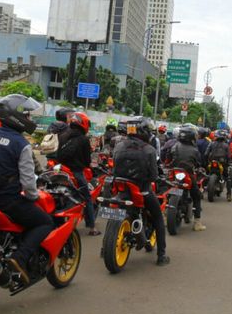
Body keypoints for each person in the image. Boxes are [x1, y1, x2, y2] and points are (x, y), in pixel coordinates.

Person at [0, 94, 54, 284]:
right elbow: (28, 184)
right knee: (45, 222)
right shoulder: (21, 144)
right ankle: (18, 258)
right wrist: (33, 197)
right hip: (7, 200)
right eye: (27, 115)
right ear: (15, 116)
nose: (29, 119)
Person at [112, 116, 170, 266]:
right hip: (142, 191)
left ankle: (103, 248)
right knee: (158, 217)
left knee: (115, 211)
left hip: (122, 189)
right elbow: (153, 176)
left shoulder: (118, 146)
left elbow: (114, 168)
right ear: (143, 131)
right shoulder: (149, 150)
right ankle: (161, 255)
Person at [56, 112, 100, 236]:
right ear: (83, 123)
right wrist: (87, 165)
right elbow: (87, 161)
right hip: (76, 173)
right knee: (87, 198)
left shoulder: (63, 135)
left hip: (61, 171)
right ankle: (92, 228)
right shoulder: (84, 139)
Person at [168, 125, 205, 231]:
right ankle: (197, 223)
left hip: (174, 175)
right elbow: (198, 164)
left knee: (166, 191)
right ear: (192, 137)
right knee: (197, 196)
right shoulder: (195, 150)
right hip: (188, 176)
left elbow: (167, 159)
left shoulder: (174, 146)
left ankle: (166, 214)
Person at [205, 129, 232, 201]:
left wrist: (207, 161)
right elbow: (229, 156)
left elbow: (206, 154)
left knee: (205, 175)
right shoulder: (226, 145)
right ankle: (229, 195)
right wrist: (229, 162)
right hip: (223, 164)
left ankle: (202, 190)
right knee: (228, 178)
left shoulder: (211, 143)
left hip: (212, 163)